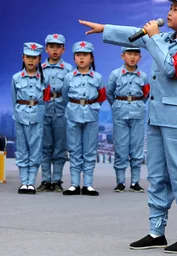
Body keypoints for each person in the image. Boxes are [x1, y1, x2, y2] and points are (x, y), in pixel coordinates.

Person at [80, 0, 177, 253]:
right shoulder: (165, 39)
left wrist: (153, 39)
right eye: (170, 7)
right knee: (158, 176)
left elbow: (172, 68)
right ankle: (156, 231)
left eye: (176, 8)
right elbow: (135, 36)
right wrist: (105, 29)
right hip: (160, 119)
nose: (169, 12)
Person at [62, 41, 106, 197]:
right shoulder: (68, 77)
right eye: (78, 55)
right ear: (74, 58)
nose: (82, 58)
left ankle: (88, 184)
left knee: (89, 150)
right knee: (74, 149)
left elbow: (101, 96)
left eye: (85, 55)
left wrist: (90, 105)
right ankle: (74, 184)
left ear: (91, 58)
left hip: (91, 114)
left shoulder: (98, 77)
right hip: (73, 113)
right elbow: (65, 95)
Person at [106, 47, 149, 193]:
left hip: (137, 111)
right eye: (129, 54)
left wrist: (137, 103)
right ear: (122, 56)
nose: (132, 57)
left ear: (140, 57)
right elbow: (109, 94)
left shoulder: (143, 76)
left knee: (137, 147)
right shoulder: (115, 74)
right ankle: (120, 182)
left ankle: (135, 182)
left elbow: (146, 94)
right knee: (121, 146)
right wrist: (118, 105)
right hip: (120, 111)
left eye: (136, 54)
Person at [12, 42, 50, 194]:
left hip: (37, 115)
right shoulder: (16, 78)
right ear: (23, 57)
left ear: (40, 59)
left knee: (35, 149)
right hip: (21, 116)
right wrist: (18, 113)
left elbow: (46, 99)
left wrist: (40, 112)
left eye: (34, 57)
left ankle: (31, 182)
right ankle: (23, 182)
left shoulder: (44, 79)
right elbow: (14, 98)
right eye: (28, 57)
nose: (31, 60)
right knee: (22, 149)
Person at [39, 33, 73, 193]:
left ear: (63, 50)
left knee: (60, 146)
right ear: (46, 49)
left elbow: (71, 91)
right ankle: (45, 180)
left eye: (58, 47)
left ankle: (57, 180)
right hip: (43, 110)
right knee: (44, 146)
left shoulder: (68, 69)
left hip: (61, 110)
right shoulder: (40, 68)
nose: (54, 50)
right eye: (51, 46)